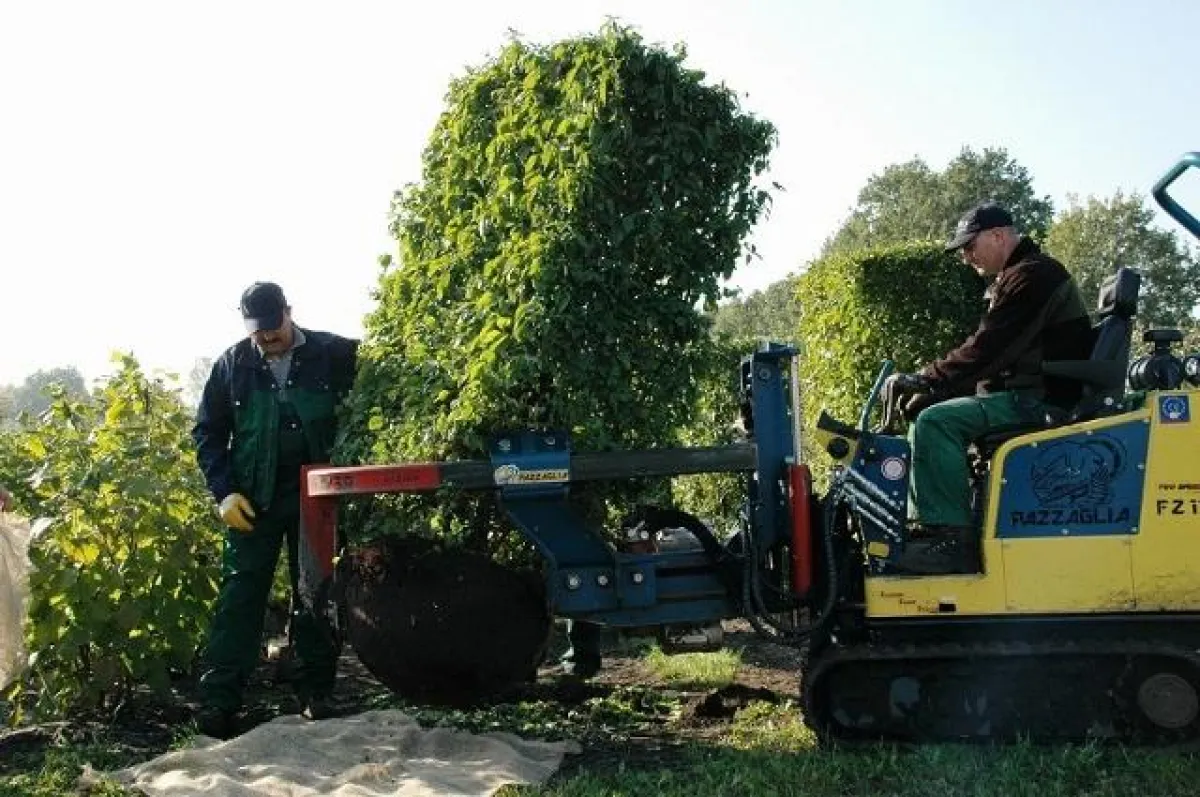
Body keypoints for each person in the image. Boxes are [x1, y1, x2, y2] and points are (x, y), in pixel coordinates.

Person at [888, 202, 1094, 575]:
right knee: (925, 417)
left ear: (998, 236)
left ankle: (952, 545)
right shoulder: (1020, 276)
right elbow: (991, 355)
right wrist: (934, 388)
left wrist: (929, 379)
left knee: (936, 423)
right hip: (1026, 394)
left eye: (970, 246)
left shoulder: (1034, 276)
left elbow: (990, 349)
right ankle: (934, 528)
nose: (966, 257)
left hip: (1040, 401)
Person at [192, 282, 358, 738]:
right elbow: (207, 434)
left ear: (289, 312)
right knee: (240, 597)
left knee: (314, 590)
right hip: (254, 498)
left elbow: (375, 398)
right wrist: (224, 492)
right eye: (257, 330)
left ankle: (314, 691)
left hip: (317, 495)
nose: (266, 338)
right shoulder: (232, 365)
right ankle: (220, 700)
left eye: (273, 327)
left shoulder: (334, 353)